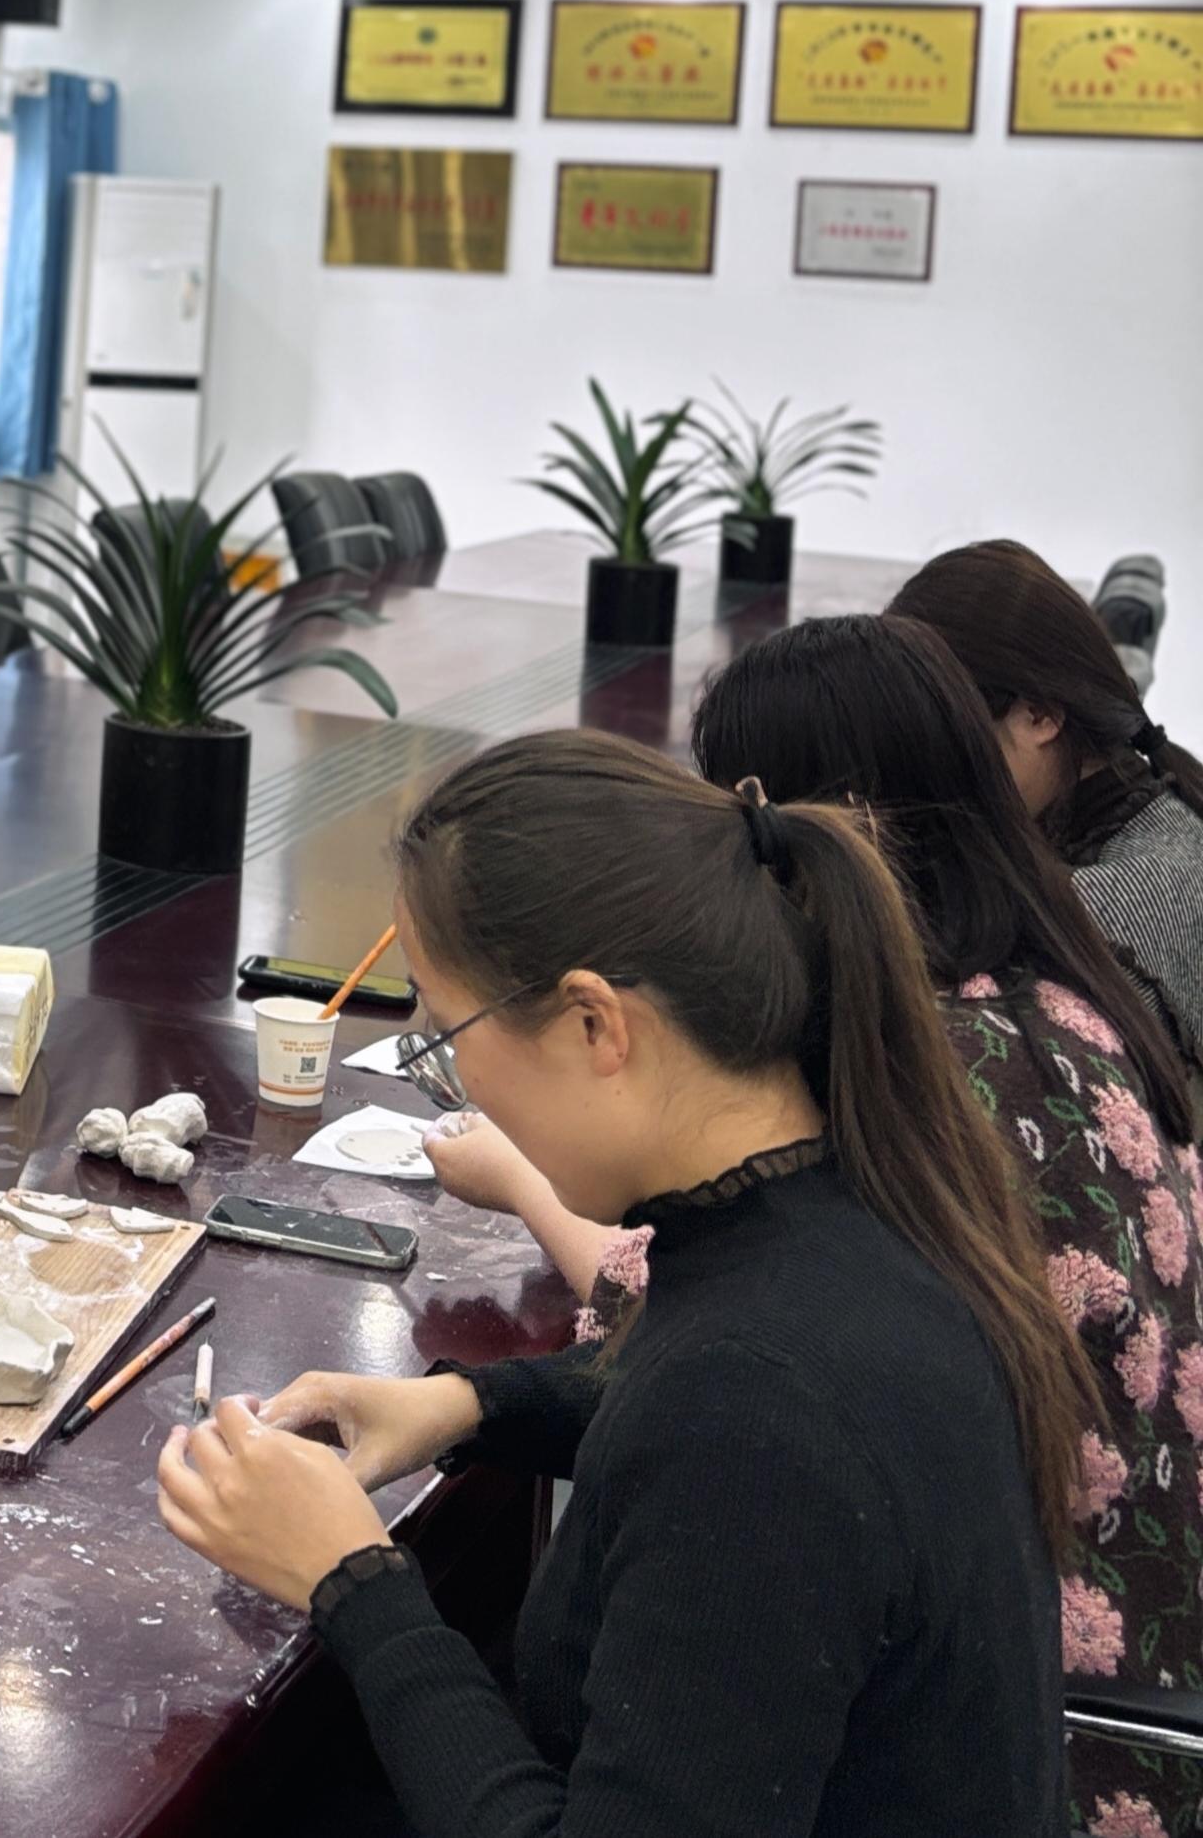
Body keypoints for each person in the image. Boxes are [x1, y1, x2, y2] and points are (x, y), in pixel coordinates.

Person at [156, 729, 1084, 1837]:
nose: (460, 1085)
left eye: (448, 1036)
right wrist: (469, 1403)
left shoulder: (758, 1402)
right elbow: (694, 1402)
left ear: (597, 1023)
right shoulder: (856, 1202)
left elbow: (737, 1431)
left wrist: (352, 1578)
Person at [892, 539, 1203, 1071]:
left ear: (1039, 714)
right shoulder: (1162, 789)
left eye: (941, 741)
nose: (927, 775)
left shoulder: (1099, 916)